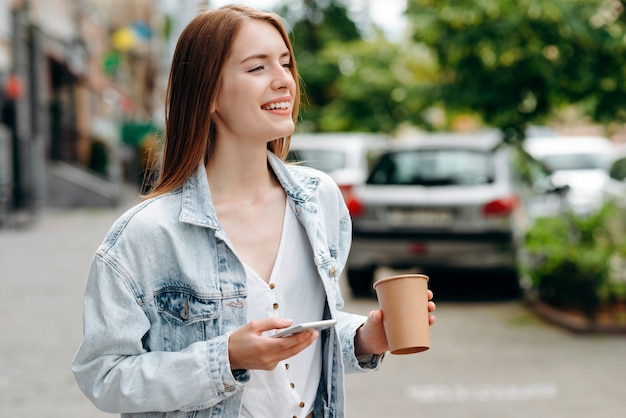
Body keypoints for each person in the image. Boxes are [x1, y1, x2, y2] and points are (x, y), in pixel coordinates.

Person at [71, 4, 436, 418]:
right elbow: (103, 375)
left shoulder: (321, 201)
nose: (284, 81)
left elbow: (307, 333)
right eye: (257, 68)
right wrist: (224, 358)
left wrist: (364, 337)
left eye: (284, 63)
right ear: (208, 92)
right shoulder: (146, 235)